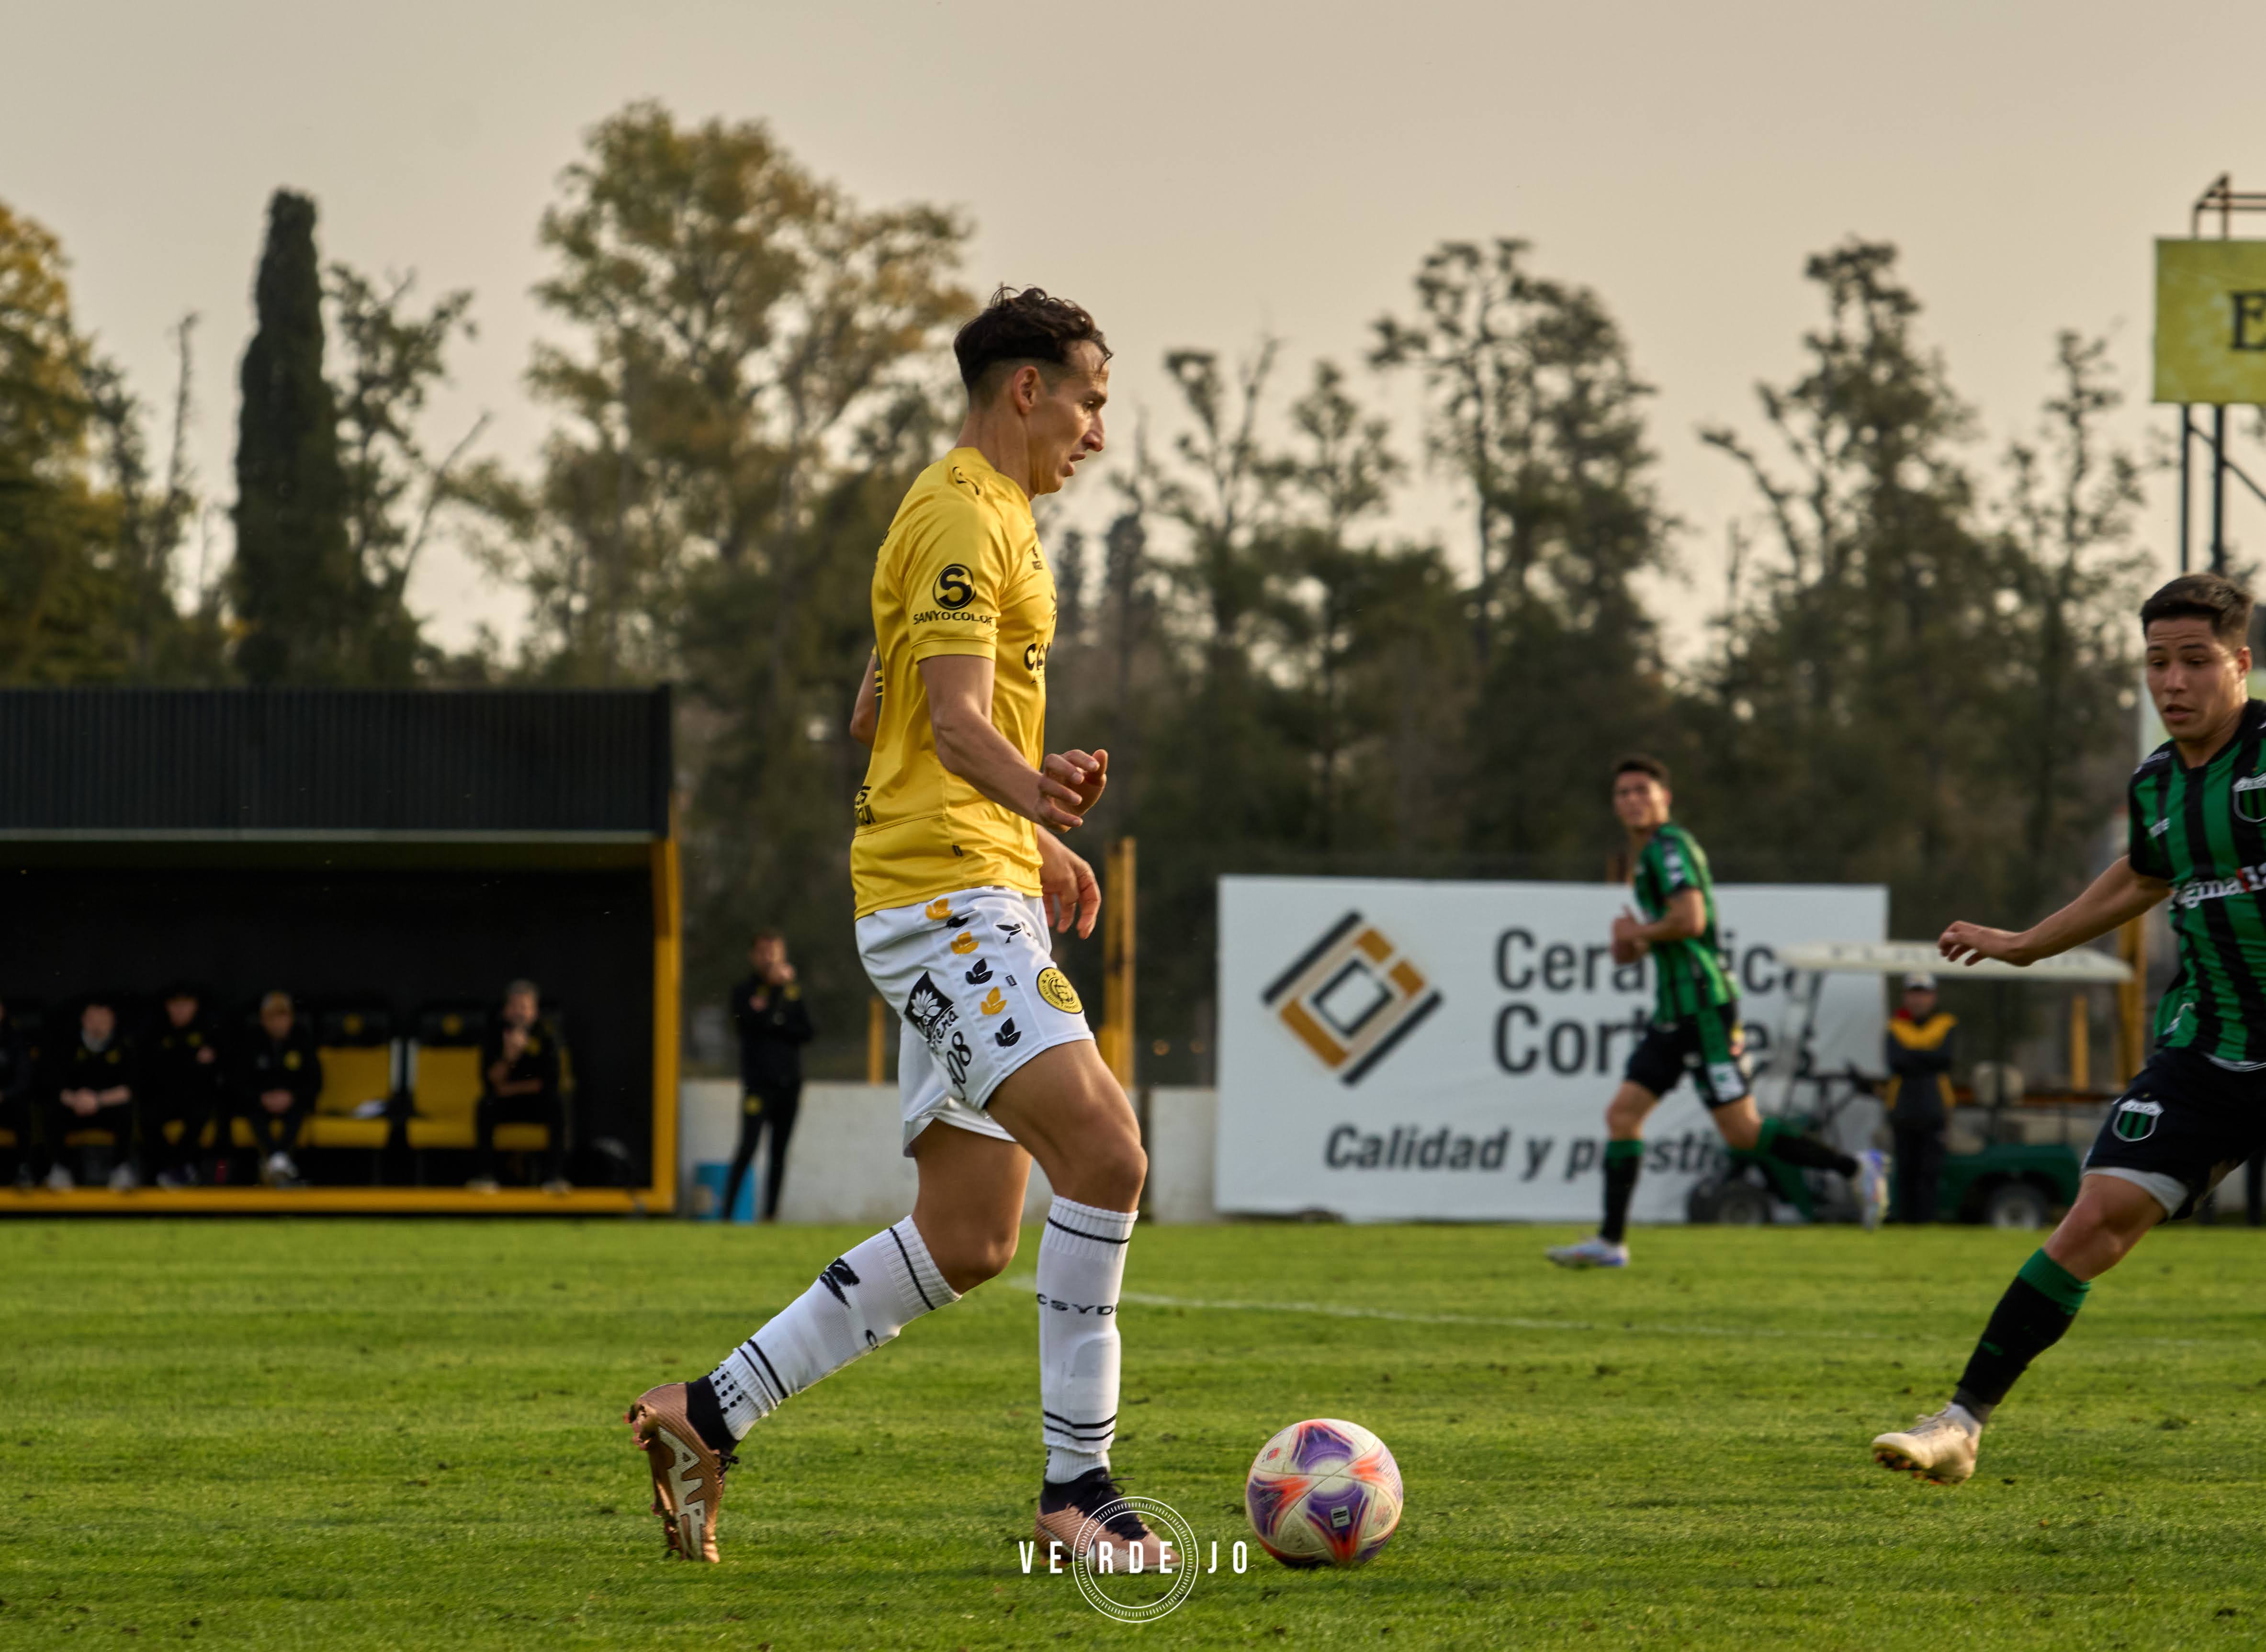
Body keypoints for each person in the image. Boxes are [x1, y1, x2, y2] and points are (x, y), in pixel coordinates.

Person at [625, 285, 1155, 1569]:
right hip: (942, 903)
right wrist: (1038, 801)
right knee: (1108, 1155)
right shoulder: (962, 514)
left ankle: (706, 1413)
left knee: (971, 1234)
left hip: (976, 883)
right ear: (1024, 389)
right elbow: (958, 717)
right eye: (1088, 399)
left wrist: (1029, 840)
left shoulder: (984, 521)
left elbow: (885, 715)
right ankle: (1075, 1489)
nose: (1095, 429)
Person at [1872, 573, 2266, 1485]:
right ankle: (1960, 1423)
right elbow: (2139, 876)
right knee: (2094, 1218)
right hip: (2208, 1045)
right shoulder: (2157, 783)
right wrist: (2024, 945)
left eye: (2194, 662)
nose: (2171, 682)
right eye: (2155, 663)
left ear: (2239, 663)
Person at [1548, 756, 1887, 1267]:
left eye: (1642, 789)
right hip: (1672, 1014)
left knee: (1742, 1131)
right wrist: (1629, 945)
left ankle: (1856, 1167)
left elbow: (1689, 919)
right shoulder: (1645, 859)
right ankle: (1610, 1242)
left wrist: (1638, 933)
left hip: (1703, 1008)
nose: (1632, 799)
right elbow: (1660, 935)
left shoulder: (1670, 847)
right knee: (1622, 1115)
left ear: (1665, 798)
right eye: (1622, 792)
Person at [723, 932, 815, 1222]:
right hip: (758, 1084)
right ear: (754, 956)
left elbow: (807, 1032)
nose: (769, 958)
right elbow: (752, 1025)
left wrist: (778, 1020)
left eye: (774, 952)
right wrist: (776, 1008)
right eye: (763, 952)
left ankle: (771, 1214)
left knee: (779, 1152)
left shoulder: (794, 992)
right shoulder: (745, 992)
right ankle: (726, 1214)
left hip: (790, 1084)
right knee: (748, 1147)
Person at [469, 979, 568, 1194]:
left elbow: (549, 1083)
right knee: (485, 1105)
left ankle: (554, 1178)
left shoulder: (546, 1035)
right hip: (505, 1105)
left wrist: (510, 1088)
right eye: (515, 1007)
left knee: (557, 1105)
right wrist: (509, 1058)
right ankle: (486, 1176)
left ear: (534, 1011)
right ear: (506, 1009)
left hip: (536, 1104)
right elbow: (490, 1082)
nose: (520, 1013)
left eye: (525, 1007)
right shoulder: (494, 1034)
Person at [1882, 972, 1957, 1223]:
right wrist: (1927, 1057)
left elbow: (1945, 1060)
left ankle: (1927, 1220)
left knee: (1929, 1170)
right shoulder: (1896, 1026)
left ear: (1933, 997)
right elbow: (1895, 1062)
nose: (1918, 1000)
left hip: (1935, 1107)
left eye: (1923, 994)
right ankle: (1905, 1220)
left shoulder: (1946, 1023)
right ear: (1905, 996)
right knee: (1905, 1168)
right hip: (1903, 1108)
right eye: (1913, 994)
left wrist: (1912, 1057)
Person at [44, 997, 137, 1191]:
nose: (98, 1024)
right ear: (84, 1020)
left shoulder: (125, 1045)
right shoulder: (67, 1044)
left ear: (113, 1021)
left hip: (106, 1109)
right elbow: (53, 1085)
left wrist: (98, 1100)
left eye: (104, 1019)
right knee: (53, 1111)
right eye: (93, 1018)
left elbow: (131, 1089)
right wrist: (77, 1100)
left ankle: (120, 1169)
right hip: (75, 1108)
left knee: (127, 1113)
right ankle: (61, 1168)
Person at [231, 990, 321, 1189]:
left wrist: (291, 1096)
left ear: (291, 1018)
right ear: (263, 1019)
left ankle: (275, 1163)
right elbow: (239, 1082)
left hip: (293, 1104)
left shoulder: (302, 1038)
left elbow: (314, 1081)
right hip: (259, 1103)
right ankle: (278, 1162)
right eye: (272, 1017)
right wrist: (262, 1098)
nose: (278, 1023)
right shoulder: (251, 1040)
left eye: (283, 1016)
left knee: (298, 1110)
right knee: (253, 1112)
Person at [141, 983, 223, 1190]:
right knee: (147, 1113)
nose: (180, 1010)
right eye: (175, 1005)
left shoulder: (209, 1030)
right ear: (168, 1007)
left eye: (186, 1005)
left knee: (204, 1111)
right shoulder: (157, 1031)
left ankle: (178, 1168)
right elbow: (152, 1071)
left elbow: (216, 1070)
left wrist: (182, 1064)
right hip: (166, 1097)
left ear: (195, 1006)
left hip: (195, 1098)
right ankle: (172, 1168)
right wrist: (191, 1062)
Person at [0, 999, 34, 1190]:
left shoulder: (15, 1039)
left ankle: (23, 1168)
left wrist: (4, 1095)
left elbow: (24, 1079)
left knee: (22, 1109)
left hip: (7, 1103)